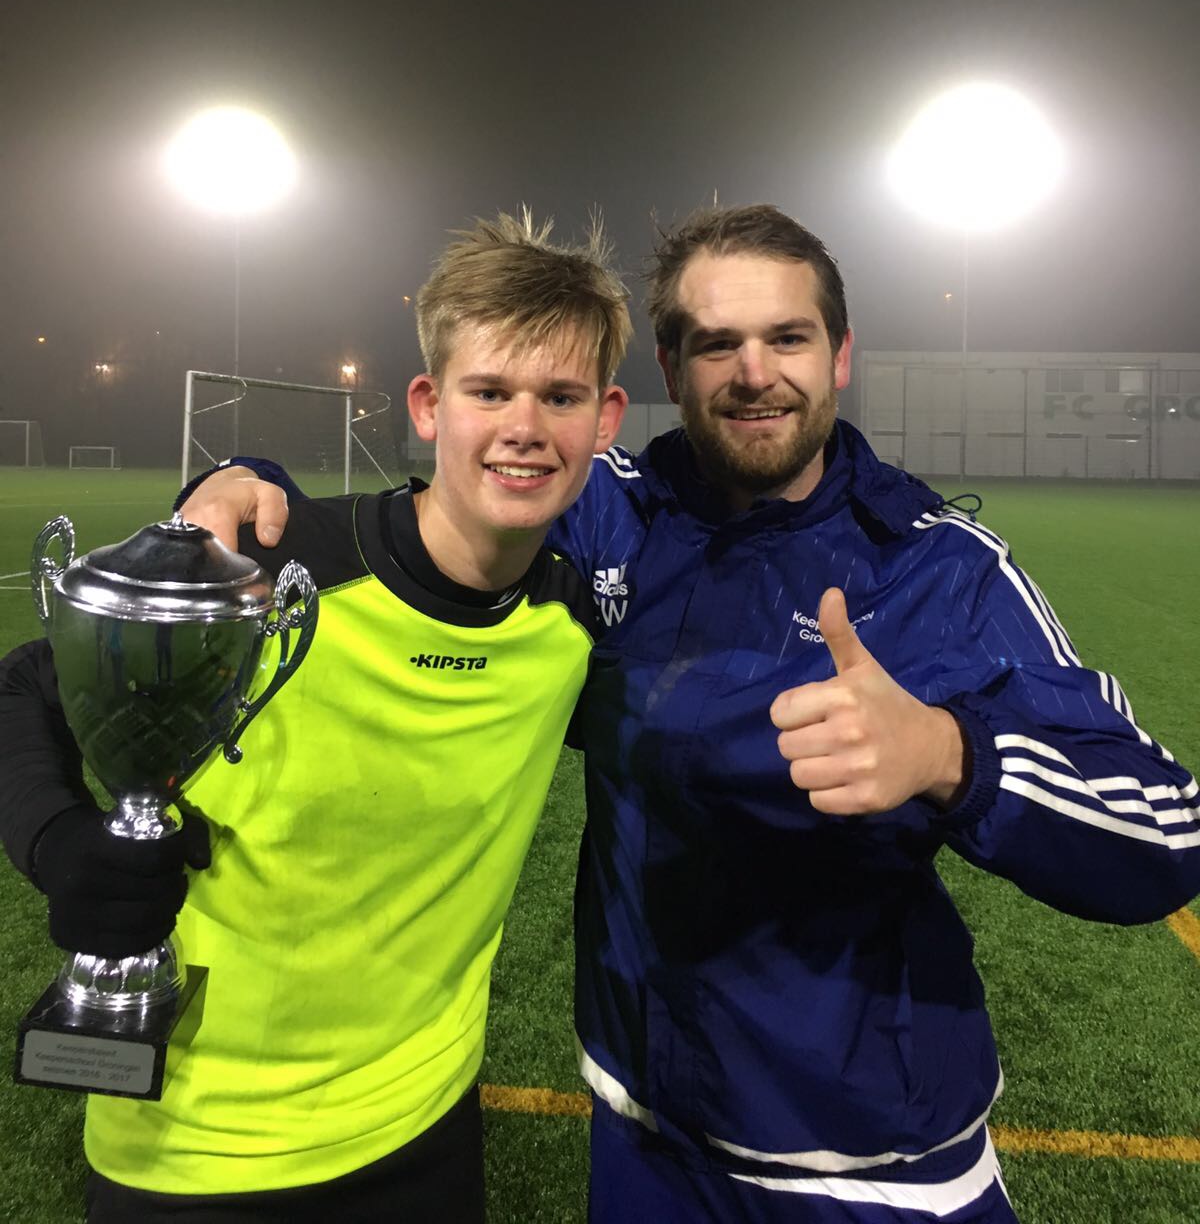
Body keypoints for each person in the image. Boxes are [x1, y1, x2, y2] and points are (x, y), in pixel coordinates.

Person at [163, 204, 1200, 1223]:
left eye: (787, 337)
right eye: (716, 344)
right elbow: (434, 522)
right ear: (670, 369)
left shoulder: (938, 570)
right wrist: (245, 486)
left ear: (840, 355)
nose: (754, 372)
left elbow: (1165, 829)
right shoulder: (608, 514)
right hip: (642, 1135)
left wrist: (949, 754)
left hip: (866, 1166)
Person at [0, 211, 631, 1223]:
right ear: (428, 405)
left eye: (560, 396)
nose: (524, 426)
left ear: (605, 419)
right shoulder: (276, 573)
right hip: (198, 1155)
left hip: (426, 1134)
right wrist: (56, 841)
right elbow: (26, 686)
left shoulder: (571, 625)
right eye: (489, 391)